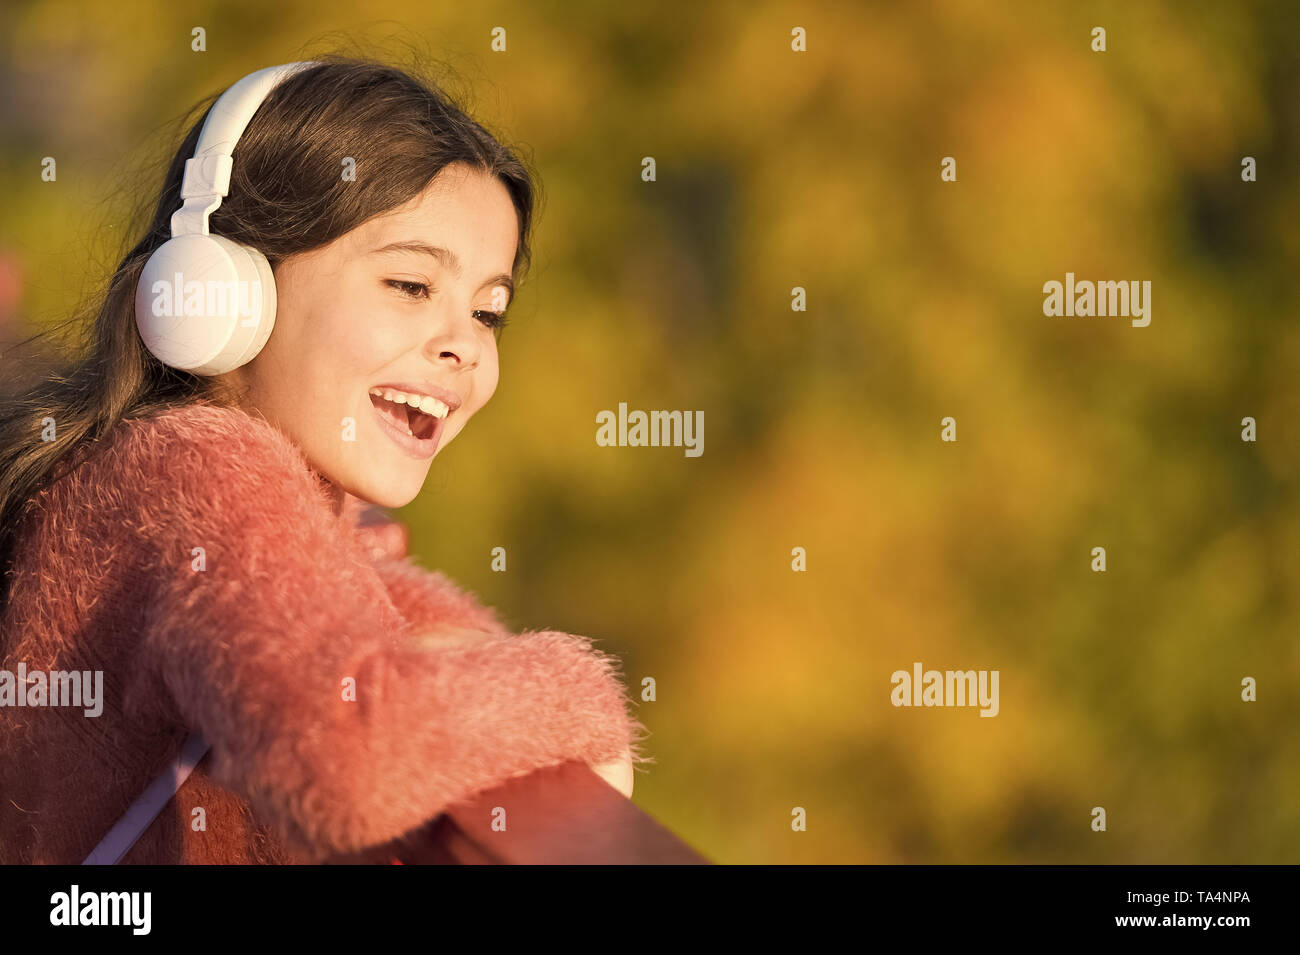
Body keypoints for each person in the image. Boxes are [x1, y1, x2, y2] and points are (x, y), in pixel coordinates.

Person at [0, 56, 645, 865]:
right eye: (411, 284)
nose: (464, 347)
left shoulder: (163, 469)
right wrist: (576, 696)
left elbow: (345, 607)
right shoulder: (203, 470)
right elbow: (348, 756)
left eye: (489, 311)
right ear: (226, 292)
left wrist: (459, 645)